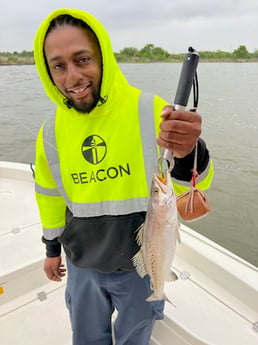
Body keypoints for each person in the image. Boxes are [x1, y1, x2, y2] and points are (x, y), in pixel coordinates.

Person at [34, 8, 213, 345]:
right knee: (87, 339)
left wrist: (189, 150)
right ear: (48, 71)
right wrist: (51, 248)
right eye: (58, 65)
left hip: (141, 268)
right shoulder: (50, 132)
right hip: (82, 267)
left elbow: (196, 183)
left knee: (134, 338)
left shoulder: (150, 110)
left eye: (82, 59)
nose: (72, 77)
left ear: (103, 57)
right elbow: (49, 196)